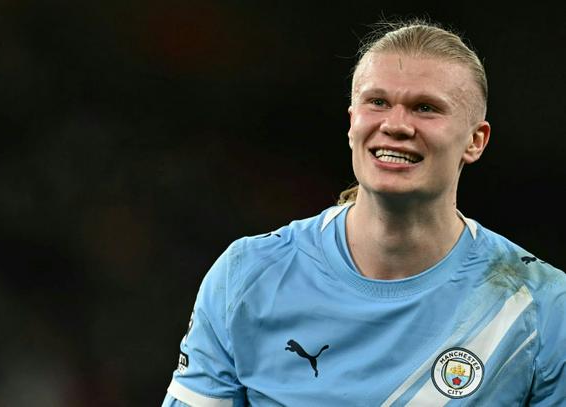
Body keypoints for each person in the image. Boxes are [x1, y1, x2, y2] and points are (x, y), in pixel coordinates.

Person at [162, 18, 566, 406]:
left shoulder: (539, 304)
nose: (396, 124)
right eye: (377, 102)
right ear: (352, 122)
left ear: (475, 141)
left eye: (425, 108)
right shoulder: (247, 276)